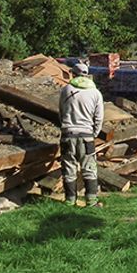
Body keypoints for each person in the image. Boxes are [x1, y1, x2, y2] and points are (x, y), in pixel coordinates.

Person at [58, 62, 104, 206]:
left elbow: (61, 112)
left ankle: (70, 200)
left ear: (73, 73)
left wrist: (65, 127)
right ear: (87, 74)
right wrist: (94, 133)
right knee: (89, 168)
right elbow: (99, 117)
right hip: (86, 136)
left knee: (69, 168)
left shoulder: (66, 90)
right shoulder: (95, 92)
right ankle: (91, 200)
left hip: (68, 134)